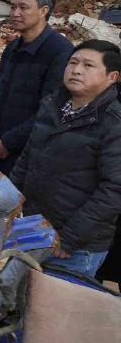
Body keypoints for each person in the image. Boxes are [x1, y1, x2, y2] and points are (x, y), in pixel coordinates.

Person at [9, 40, 121, 277]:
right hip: (34, 229)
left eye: (88, 65)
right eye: (73, 62)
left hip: (74, 248)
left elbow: (114, 190)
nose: (77, 70)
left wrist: (69, 238)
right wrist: (12, 197)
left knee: (55, 310)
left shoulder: (114, 124)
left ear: (112, 77)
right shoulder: (53, 106)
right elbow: (28, 155)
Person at [0, 0, 72, 175]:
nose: (15, 13)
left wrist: (8, 142)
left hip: (28, 156)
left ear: (43, 10)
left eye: (23, 7)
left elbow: (51, 110)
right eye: (13, 7)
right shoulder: (12, 48)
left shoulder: (60, 51)